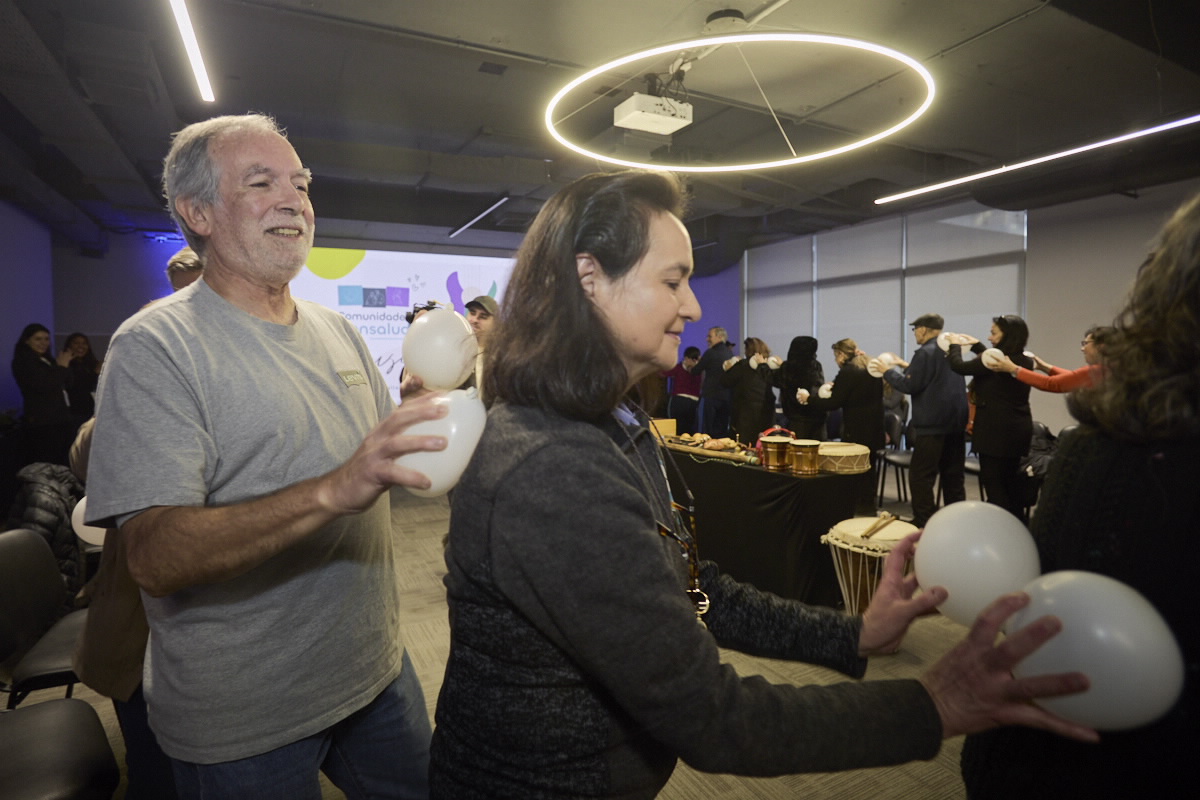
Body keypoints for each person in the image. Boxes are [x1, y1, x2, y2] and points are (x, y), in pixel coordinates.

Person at [428, 169, 1095, 799]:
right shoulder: (552, 465)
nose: (692, 306)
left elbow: (692, 590)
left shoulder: (613, 420)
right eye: (673, 281)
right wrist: (931, 704)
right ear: (590, 279)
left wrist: (852, 634)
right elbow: (711, 716)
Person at [85, 113, 447, 799]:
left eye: (301, 185)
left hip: (375, 673)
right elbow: (155, 558)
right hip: (244, 721)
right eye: (262, 183)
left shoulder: (337, 329)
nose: (295, 202)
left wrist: (412, 419)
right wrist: (333, 488)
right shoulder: (154, 347)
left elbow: (376, 459)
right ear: (198, 213)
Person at [961, 194, 1200, 799]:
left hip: (1076, 763)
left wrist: (1010, 369)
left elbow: (1056, 383)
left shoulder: (1107, 454)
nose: (1090, 347)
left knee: (1004, 499)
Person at [879, 314, 968, 528]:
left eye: (915, 329)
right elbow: (932, 376)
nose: (915, 334)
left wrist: (887, 372)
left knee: (921, 476)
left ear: (923, 329)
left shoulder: (925, 352)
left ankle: (925, 520)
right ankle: (958, 521)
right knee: (953, 476)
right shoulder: (950, 350)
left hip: (932, 424)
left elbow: (910, 386)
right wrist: (904, 365)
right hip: (955, 423)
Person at [946, 316, 1035, 520]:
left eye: (994, 333)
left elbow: (959, 366)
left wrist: (954, 345)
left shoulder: (995, 362)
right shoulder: (1023, 360)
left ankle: (1001, 528)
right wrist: (977, 346)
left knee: (994, 485)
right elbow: (989, 360)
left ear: (1008, 335)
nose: (989, 337)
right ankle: (1017, 526)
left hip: (995, 431)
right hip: (1018, 429)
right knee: (1010, 484)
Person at [799, 337, 884, 514]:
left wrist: (809, 399)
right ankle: (868, 505)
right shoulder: (870, 367)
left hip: (856, 427)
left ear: (841, 354)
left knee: (854, 468)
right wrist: (838, 388)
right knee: (869, 468)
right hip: (875, 426)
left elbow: (834, 403)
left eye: (835, 356)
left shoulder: (848, 371)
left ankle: (854, 505)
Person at [11, 322, 75, 466]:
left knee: (63, 461)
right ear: (27, 340)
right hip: (43, 421)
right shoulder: (23, 361)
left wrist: (64, 366)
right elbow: (43, 385)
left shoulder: (48, 360)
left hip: (60, 417)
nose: (43, 343)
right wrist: (61, 367)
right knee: (47, 463)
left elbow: (67, 383)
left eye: (46, 339)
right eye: (38, 339)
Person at [985, 325, 1110, 393]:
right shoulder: (1111, 369)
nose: (1082, 349)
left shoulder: (1099, 371)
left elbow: (1052, 384)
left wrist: (1013, 369)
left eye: (1086, 343)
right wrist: (1044, 366)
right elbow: (1073, 378)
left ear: (1101, 346)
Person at [719, 336, 778, 443]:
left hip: (745, 413)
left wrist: (728, 369)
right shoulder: (769, 366)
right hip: (767, 412)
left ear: (748, 350)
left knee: (745, 445)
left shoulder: (742, 366)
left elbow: (724, 382)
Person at [773, 335, 827, 439]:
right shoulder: (816, 366)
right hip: (817, 416)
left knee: (798, 447)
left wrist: (762, 366)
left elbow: (774, 379)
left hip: (797, 419)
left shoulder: (788, 368)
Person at [691, 325, 734, 436]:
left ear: (719, 337)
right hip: (726, 398)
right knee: (721, 431)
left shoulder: (710, 353)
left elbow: (695, 371)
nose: (707, 339)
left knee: (706, 431)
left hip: (710, 396)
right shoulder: (730, 354)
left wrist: (692, 365)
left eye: (710, 336)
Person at [660, 345, 702, 434]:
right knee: (687, 428)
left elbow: (663, 373)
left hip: (682, 400)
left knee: (678, 427)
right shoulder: (700, 370)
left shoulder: (680, 368)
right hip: (691, 401)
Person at [64, 332, 102, 422]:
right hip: (74, 412)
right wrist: (95, 373)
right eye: (76, 343)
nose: (81, 346)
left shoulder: (91, 363)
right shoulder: (65, 365)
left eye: (84, 343)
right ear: (69, 345)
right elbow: (76, 387)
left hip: (91, 410)